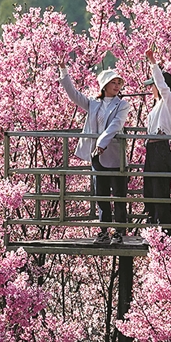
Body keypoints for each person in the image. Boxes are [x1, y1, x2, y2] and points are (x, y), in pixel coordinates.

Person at [58, 60, 131, 245]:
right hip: (97, 157)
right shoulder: (93, 104)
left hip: (115, 156)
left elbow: (116, 124)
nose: (117, 86)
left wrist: (102, 142)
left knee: (119, 196)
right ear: (105, 85)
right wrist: (63, 70)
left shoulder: (122, 105)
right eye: (113, 83)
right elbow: (73, 95)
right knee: (101, 196)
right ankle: (104, 231)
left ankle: (120, 232)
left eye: (118, 83)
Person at [141, 48, 171, 231]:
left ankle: (163, 228)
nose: (151, 88)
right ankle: (153, 225)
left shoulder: (169, 101)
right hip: (152, 148)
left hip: (160, 148)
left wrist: (152, 61)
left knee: (160, 190)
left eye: (153, 84)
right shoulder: (158, 105)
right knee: (149, 189)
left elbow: (163, 87)